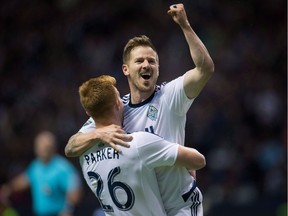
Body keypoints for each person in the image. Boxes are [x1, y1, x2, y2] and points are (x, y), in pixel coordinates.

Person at [65, 3, 214, 216]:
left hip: (179, 206)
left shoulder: (171, 95)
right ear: (126, 69)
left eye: (152, 61)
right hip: (146, 208)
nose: (146, 65)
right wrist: (98, 133)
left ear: (158, 68)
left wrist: (185, 25)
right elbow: (71, 146)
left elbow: (205, 69)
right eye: (140, 61)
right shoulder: (117, 108)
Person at [78, 75, 206, 216]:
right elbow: (198, 160)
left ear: (88, 113)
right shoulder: (136, 143)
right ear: (117, 104)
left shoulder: (83, 155)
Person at [1, 131, 83, 216]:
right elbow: (24, 180)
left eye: (46, 147)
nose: (43, 149)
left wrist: (67, 209)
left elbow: (75, 189)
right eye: (40, 146)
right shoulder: (36, 166)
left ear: (53, 147)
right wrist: (8, 189)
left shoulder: (62, 167)